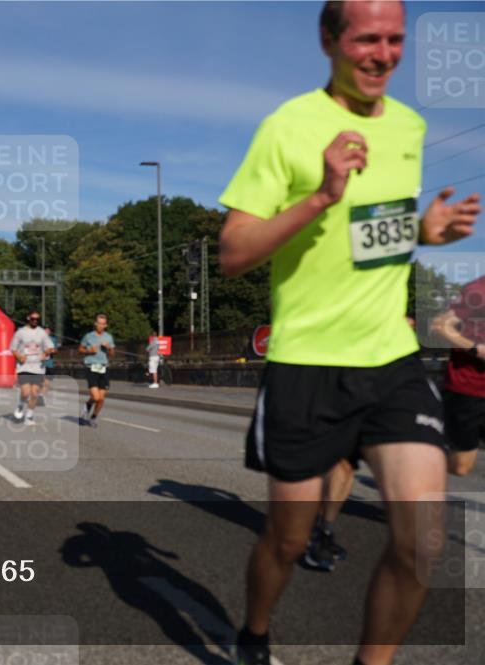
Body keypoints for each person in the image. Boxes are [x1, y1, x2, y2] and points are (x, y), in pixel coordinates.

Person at [217, 3, 481, 664]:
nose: (383, 54)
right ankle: (254, 629)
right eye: (367, 38)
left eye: (395, 39)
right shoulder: (289, 126)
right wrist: (320, 196)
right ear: (329, 39)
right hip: (306, 362)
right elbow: (234, 251)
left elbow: (369, 235)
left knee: (423, 539)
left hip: (390, 355)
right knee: (285, 539)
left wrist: (423, 230)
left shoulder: (410, 127)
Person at [432, 274, 485, 476]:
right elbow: (440, 325)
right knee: (461, 467)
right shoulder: (478, 290)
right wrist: (475, 349)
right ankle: (418, 466)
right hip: (469, 388)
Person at [11, 310, 55, 426]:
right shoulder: (20, 332)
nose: (35, 321)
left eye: (37, 319)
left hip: (38, 368)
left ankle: (29, 416)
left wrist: (46, 352)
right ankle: (20, 404)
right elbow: (13, 349)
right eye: (33, 319)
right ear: (28, 318)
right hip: (24, 367)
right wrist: (19, 356)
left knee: (35, 393)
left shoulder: (42, 333)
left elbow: (50, 347)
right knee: (25, 392)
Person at [79, 314, 115, 427]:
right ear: (95, 324)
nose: (100, 326)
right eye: (99, 323)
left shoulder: (108, 337)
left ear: (106, 325)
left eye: (103, 324)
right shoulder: (88, 336)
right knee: (95, 397)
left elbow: (112, 354)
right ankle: (87, 405)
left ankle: (93, 417)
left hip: (104, 367)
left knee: (101, 398)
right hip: (91, 367)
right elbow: (80, 349)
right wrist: (89, 351)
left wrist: (108, 348)